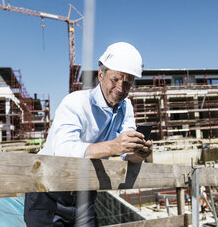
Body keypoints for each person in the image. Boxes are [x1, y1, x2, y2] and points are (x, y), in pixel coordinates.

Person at [24, 42, 152, 227]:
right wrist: (113, 146)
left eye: (127, 83)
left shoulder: (126, 107)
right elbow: (64, 149)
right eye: (115, 79)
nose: (120, 88)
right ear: (101, 75)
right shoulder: (75, 102)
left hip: (84, 194)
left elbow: (127, 153)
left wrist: (139, 153)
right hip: (47, 192)